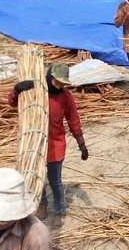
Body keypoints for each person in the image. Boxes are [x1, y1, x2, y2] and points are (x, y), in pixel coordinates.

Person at [8, 64, 89, 220]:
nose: (59, 86)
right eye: (57, 82)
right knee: (37, 176)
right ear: (49, 77)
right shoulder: (35, 91)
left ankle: (60, 208)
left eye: (62, 83)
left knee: (55, 180)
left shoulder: (65, 96)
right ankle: (42, 205)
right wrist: (17, 90)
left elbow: (73, 119)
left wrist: (82, 144)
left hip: (55, 145)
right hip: (34, 143)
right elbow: (13, 103)